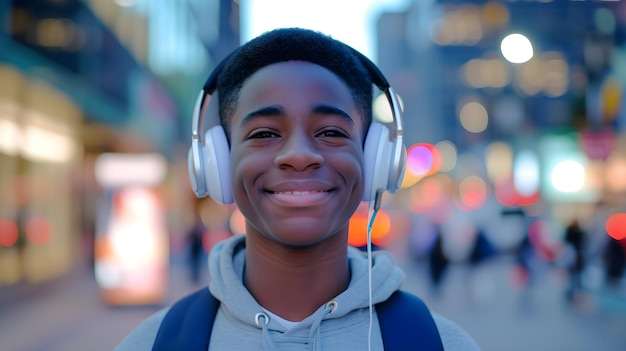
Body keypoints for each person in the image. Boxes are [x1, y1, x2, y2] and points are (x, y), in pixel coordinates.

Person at [115, 27, 480, 350]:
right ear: (218, 163)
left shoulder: (442, 344)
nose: (300, 156)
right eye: (264, 134)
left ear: (376, 161)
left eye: (331, 132)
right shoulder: (152, 344)